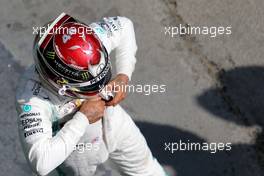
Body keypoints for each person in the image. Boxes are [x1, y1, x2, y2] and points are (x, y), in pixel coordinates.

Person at [16, 12, 166, 176]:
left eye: (102, 80)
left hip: (115, 120)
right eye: (90, 88)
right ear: (58, 83)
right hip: (78, 147)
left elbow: (125, 25)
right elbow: (41, 162)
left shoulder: (90, 41)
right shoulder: (32, 98)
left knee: (147, 170)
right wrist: (83, 119)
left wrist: (123, 75)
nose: (102, 92)